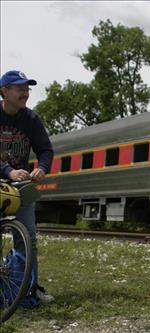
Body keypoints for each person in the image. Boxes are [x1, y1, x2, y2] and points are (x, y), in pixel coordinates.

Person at [1, 70, 55, 304]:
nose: (26, 93)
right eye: (20, 88)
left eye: (27, 89)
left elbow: (45, 149)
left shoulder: (31, 119)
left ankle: (28, 291)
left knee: (28, 238)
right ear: (4, 91)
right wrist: (7, 170)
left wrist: (42, 168)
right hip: (4, 178)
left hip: (20, 186)